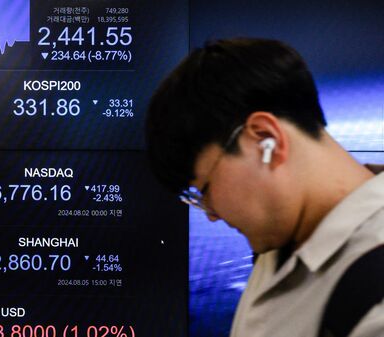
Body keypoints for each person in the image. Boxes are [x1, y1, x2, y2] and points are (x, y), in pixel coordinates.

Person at [145, 37, 384, 337]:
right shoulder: (280, 235)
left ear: (264, 138)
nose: (211, 215)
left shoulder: (374, 300)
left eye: (204, 191)